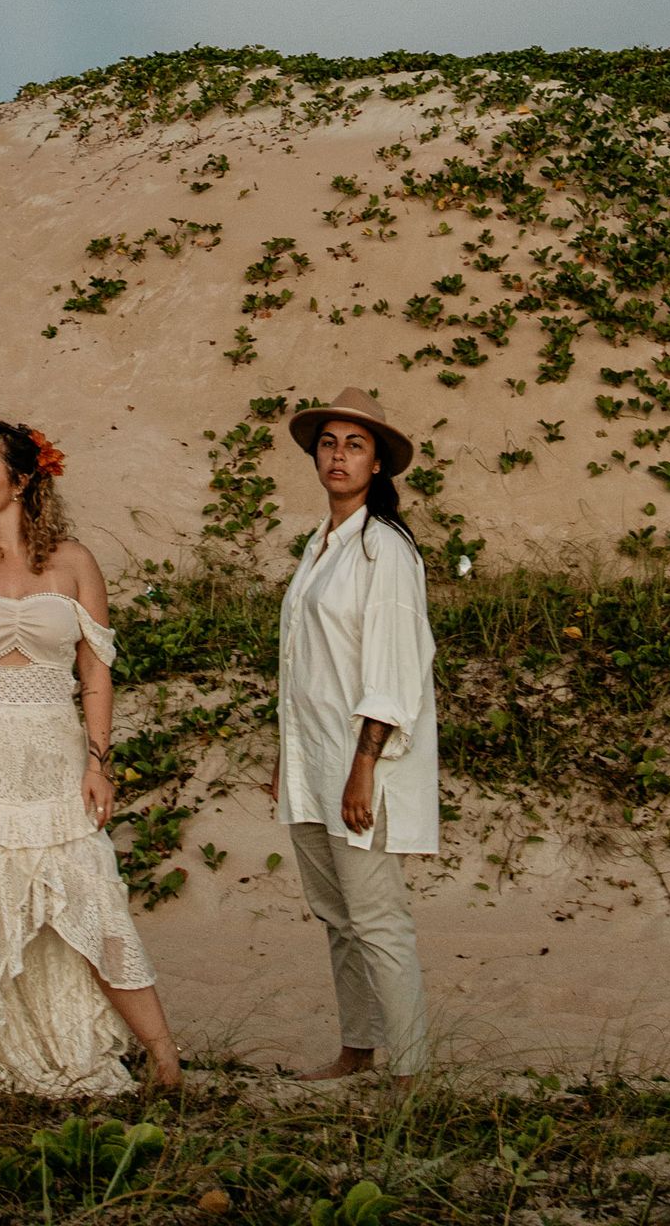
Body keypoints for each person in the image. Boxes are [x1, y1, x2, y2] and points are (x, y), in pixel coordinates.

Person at [0, 417, 182, 1094]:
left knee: (91, 895)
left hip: (53, 756)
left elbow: (97, 674)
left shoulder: (76, 563)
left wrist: (98, 763)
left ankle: (166, 1058)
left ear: (24, 480)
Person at [271, 387, 438, 1080]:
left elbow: (394, 671)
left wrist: (363, 768)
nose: (339, 455)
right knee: (336, 916)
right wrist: (288, 759)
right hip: (312, 762)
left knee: (377, 918)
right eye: (330, 444)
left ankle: (414, 1069)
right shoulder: (321, 545)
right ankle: (357, 1049)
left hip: (357, 765)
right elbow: (303, 667)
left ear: (378, 466)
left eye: (356, 445)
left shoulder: (384, 550)